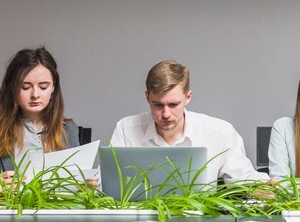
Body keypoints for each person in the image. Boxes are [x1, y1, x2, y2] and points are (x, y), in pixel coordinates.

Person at [110, 60, 269, 185]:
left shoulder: (220, 132)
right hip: (140, 219)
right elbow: (107, 182)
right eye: (157, 105)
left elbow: (244, 179)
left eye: (173, 105)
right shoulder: (126, 129)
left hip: (197, 221)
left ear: (188, 97)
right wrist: (92, 186)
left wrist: (266, 187)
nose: (165, 114)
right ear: (147, 97)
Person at [0, 47, 80, 199]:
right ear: (12, 88)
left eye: (43, 87)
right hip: (8, 215)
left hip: (56, 217)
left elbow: (76, 181)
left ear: (53, 88)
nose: (35, 94)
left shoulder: (68, 129)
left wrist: (85, 185)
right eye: (25, 87)